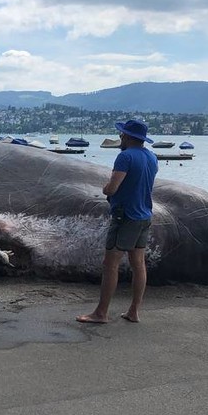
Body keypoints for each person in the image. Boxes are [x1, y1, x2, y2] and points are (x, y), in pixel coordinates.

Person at [77, 119, 159, 324]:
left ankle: (101, 313)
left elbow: (112, 188)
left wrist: (105, 188)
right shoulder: (152, 157)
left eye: (122, 134)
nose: (120, 137)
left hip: (126, 217)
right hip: (144, 215)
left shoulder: (125, 157)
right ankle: (134, 311)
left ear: (129, 137)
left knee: (110, 264)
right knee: (138, 264)